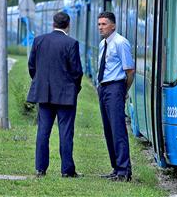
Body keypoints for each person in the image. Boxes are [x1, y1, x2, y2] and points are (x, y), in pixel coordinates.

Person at [27, 12, 83, 178]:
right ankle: (67, 170)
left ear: (53, 24)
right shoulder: (71, 43)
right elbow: (76, 71)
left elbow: (32, 66)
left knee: (43, 131)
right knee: (65, 132)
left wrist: (41, 83)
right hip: (65, 95)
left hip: (44, 94)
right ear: (68, 25)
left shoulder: (39, 40)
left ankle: (40, 168)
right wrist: (74, 88)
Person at [96, 11, 135, 182]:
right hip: (103, 87)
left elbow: (130, 70)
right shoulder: (103, 44)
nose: (100, 27)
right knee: (108, 129)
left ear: (113, 25)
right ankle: (116, 167)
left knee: (118, 130)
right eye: (99, 24)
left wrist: (123, 90)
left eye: (104, 24)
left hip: (115, 87)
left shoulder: (121, 43)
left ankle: (124, 171)